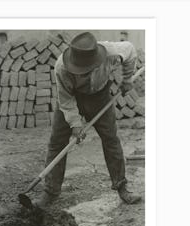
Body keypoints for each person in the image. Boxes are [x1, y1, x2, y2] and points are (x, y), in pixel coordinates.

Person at [35, 32, 141, 208]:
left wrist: (127, 79)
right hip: (71, 97)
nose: (84, 73)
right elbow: (66, 100)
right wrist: (75, 124)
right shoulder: (61, 67)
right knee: (57, 142)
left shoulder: (112, 52)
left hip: (99, 97)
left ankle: (122, 188)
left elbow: (130, 50)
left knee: (111, 139)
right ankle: (50, 191)